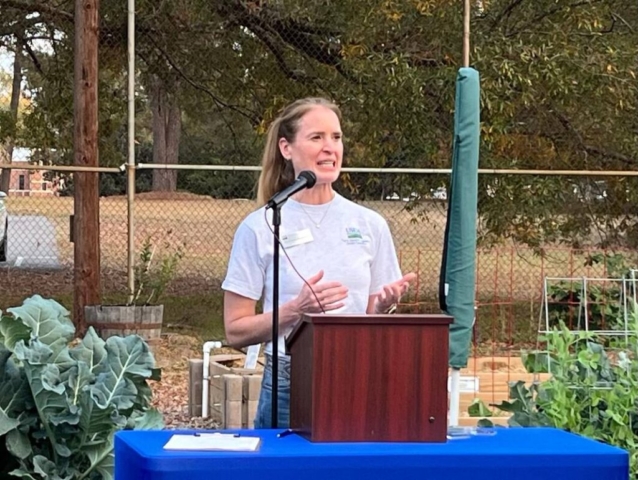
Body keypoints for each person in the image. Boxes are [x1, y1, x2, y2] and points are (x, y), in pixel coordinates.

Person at [221, 97, 416, 429]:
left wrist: (382, 308)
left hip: (358, 377)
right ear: (287, 148)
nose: (330, 148)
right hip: (289, 379)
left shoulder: (370, 224)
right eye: (317, 138)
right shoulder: (262, 225)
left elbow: (370, 317)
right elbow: (234, 330)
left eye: (336, 137)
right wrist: (297, 309)